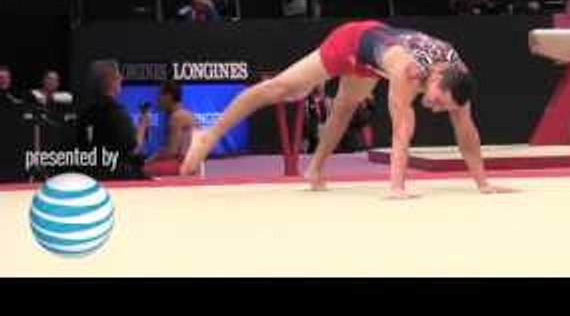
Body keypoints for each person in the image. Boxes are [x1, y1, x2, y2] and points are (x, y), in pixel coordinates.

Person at [180, 21, 510, 199]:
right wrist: (396, 188)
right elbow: (401, 130)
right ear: (435, 77)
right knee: (285, 88)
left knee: (344, 108)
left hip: (374, 57)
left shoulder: (457, 75)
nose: (436, 109)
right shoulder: (407, 72)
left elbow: (466, 131)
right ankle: (208, 135)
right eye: (438, 101)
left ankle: (315, 170)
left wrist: (482, 183)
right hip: (352, 42)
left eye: (441, 107)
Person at [77, 60, 145, 180]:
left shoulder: (84, 112)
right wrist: (143, 126)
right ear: (108, 80)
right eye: (118, 76)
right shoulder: (116, 112)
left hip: (88, 175)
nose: (121, 79)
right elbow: (134, 149)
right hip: (118, 177)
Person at [138, 81, 197, 177]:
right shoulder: (185, 114)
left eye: (160, 95)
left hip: (183, 165)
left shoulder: (177, 117)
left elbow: (171, 151)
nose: (157, 99)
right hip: (189, 163)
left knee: (143, 170)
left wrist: (150, 159)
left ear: (168, 96)